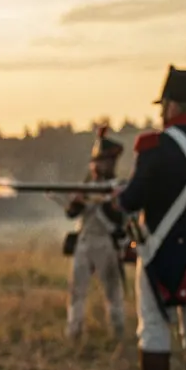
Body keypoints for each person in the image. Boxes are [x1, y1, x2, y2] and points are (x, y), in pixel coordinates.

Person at [118, 65, 186, 370]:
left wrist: (120, 196)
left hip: (161, 253)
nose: (162, 112)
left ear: (174, 106)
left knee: (155, 329)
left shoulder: (155, 147)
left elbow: (131, 200)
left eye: (165, 105)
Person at [62, 127, 126, 340]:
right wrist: (79, 201)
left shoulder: (116, 187)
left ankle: (118, 334)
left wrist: (106, 200)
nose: (101, 165)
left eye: (105, 161)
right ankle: (74, 332)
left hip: (106, 243)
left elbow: (119, 219)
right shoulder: (86, 185)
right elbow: (71, 214)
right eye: (99, 161)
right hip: (85, 241)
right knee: (76, 292)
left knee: (113, 293)